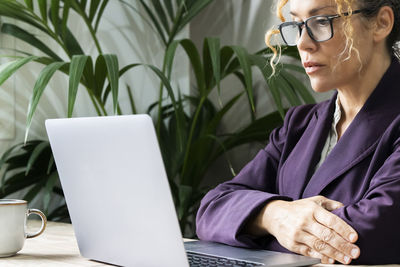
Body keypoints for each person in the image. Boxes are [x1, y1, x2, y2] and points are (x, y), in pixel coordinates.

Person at [196, 0, 400, 265]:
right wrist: (275, 216)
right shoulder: (299, 124)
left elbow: (365, 238)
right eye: (298, 25)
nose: (303, 43)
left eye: (321, 22)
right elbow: (212, 209)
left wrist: (252, 226)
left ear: (381, 23)